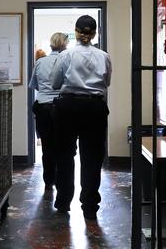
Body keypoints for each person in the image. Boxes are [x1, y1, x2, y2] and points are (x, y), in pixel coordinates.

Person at [50, 15, 112, 220]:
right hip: (95, 107)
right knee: (92, 158)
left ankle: (63, 201)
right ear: (95, 33)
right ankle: (90, 206)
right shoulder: (103, 56)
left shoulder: (66, 55)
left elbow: (55, 83)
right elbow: (107, 82)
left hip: (68, 106)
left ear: (75, 32)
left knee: (64, 155)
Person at [29, 33, 69, 190]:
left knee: (47, 147)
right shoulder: (67, 60)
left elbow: (35, 85)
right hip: (62, 108)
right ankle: (62, 181)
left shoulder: (40, 62)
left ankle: (48, 181)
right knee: (63, 146)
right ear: (64, 45)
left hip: (43, 108)